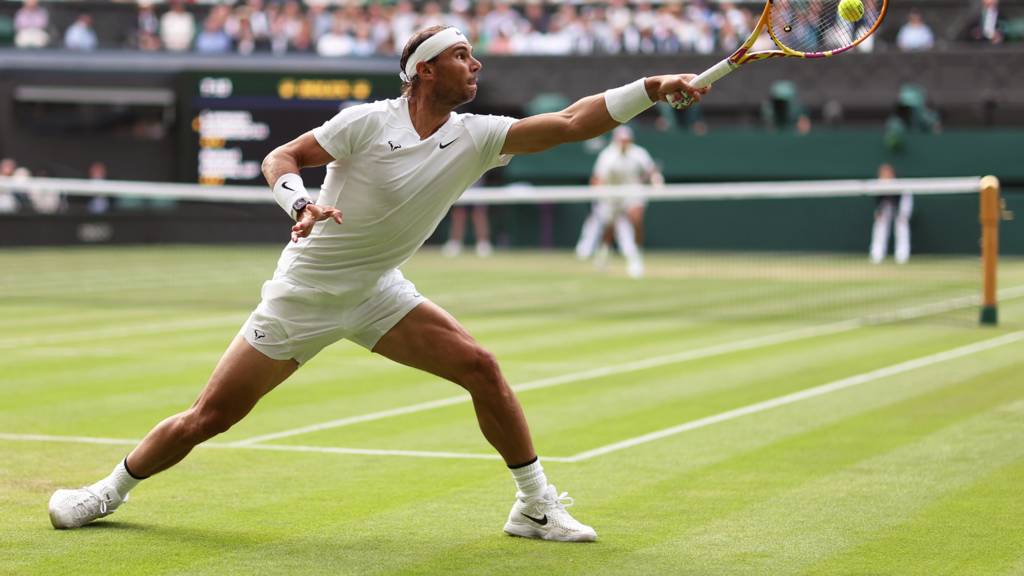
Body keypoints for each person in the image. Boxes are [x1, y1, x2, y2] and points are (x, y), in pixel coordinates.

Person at [47, 25, 707, 541]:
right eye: (463, 56)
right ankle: (105, 492)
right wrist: (299, 203)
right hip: (303, 296)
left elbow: (570, 123)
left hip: (378, 291)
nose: (476, 66)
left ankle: (534, 508)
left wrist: (650, 87)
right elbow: (281, 157)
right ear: (426, 69)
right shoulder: (366, 123)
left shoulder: (477, 137)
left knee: (481, 367)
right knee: (209, 417)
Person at [575, 125, 663, 279]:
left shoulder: (639, 153)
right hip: (611, 195)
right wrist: (599, 194)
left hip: (632, 192)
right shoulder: (607, 156)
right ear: (616, 140)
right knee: (609, 229)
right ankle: (604, 253)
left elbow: (651, 171)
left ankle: (636, 258)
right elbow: (597, 179)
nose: (624, 143)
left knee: (636, 219)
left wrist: (656, 180)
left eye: (626, 140)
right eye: (621, 140)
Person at [869, 163, 912, 264]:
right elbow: (878, 201)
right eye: (883, 173)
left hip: (899, 207)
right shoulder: (878, 184)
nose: (885, 175)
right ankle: (877, 254)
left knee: (902, 227)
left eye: (887, 172)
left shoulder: (899, 185)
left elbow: (906, 200)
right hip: (885, 208)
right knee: (880, 226)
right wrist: (878, 212)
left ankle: (902, 255)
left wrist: (904, 213)